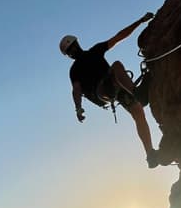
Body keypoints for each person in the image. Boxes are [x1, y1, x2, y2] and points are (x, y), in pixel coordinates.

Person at [59, 12, 159, 168]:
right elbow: (76, 90)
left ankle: (150, 154)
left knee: (138, 112)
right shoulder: (76, 68)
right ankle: (137, 92)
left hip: (115, 89)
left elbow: (119, 37)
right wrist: (78, 107)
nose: (73, 52)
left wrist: (139, 21)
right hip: (103, 89)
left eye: (72, 49)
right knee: (117, 66)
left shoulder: (92, 54)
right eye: (71, 50)